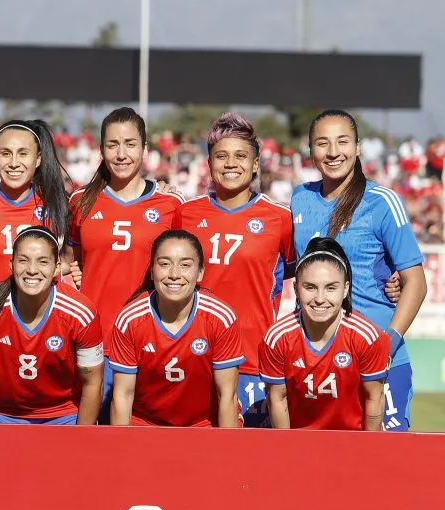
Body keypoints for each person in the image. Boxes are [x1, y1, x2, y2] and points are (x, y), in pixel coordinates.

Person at [290, 109, 426, 432]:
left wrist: (387, 344)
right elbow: (293, 265)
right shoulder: (299, 199)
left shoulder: (383, 202)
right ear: (311, 151)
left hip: (378, 359)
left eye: (343, 142)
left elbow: (416, 283)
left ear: (358, 147)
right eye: (322, 143)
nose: (333, 152)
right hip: (316, 363)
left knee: (385, 469)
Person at [173, 112, 294, 428]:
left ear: (255, 164)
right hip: (194, 360)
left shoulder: (279, 218)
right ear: (209, 164)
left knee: (250, 469)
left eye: (241, 156)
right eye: (221, 156)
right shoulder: (185, 215)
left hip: (254, 361)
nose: (230, 164)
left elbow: (302, 276)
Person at [65, 107, 184, 416]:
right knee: (91, 450)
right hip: (93, 342)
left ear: (145, 149)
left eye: (130, 144)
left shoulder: (171, 204)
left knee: (145, 449)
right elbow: (73, 260)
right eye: (112, 145)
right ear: (101, 149)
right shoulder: (80, 202)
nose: (121, 154)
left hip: (150, 343)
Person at [0, 227, 104, 424]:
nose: (32, 270)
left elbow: (93, 382)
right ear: (11, 264)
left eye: (43, 262)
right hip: (0, 414)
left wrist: (80, 438)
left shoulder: (81, 314)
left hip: (62, 414)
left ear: (57, 268)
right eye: (23, 260)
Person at [109, 230, 243, 428]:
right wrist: (123, 452)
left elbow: (227, 397)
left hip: (204, 424)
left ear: (200, 273)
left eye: (185, 265)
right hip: (147, 423)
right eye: (164, 264)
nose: (174, 274)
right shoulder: (130, 320)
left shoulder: (220, 318)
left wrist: (224, 454)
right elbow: (123, 396)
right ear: (152, 271)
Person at [260, 237, 389, 430]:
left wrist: (368, 452)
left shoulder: (368, 337)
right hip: (301, 445)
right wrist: (287, 453)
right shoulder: (277, 339)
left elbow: (374, 398)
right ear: (296, 288)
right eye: (310, 287)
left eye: (331, 288)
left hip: (353, 443)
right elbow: (277, 399)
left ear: (345, 289)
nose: (320, 299)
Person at [0, 119, 70, 295]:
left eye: (23, 154)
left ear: (38, 159)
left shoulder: (58, 204)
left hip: (41, 318)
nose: (14, 163)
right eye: (6, 153)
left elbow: (73, 258)